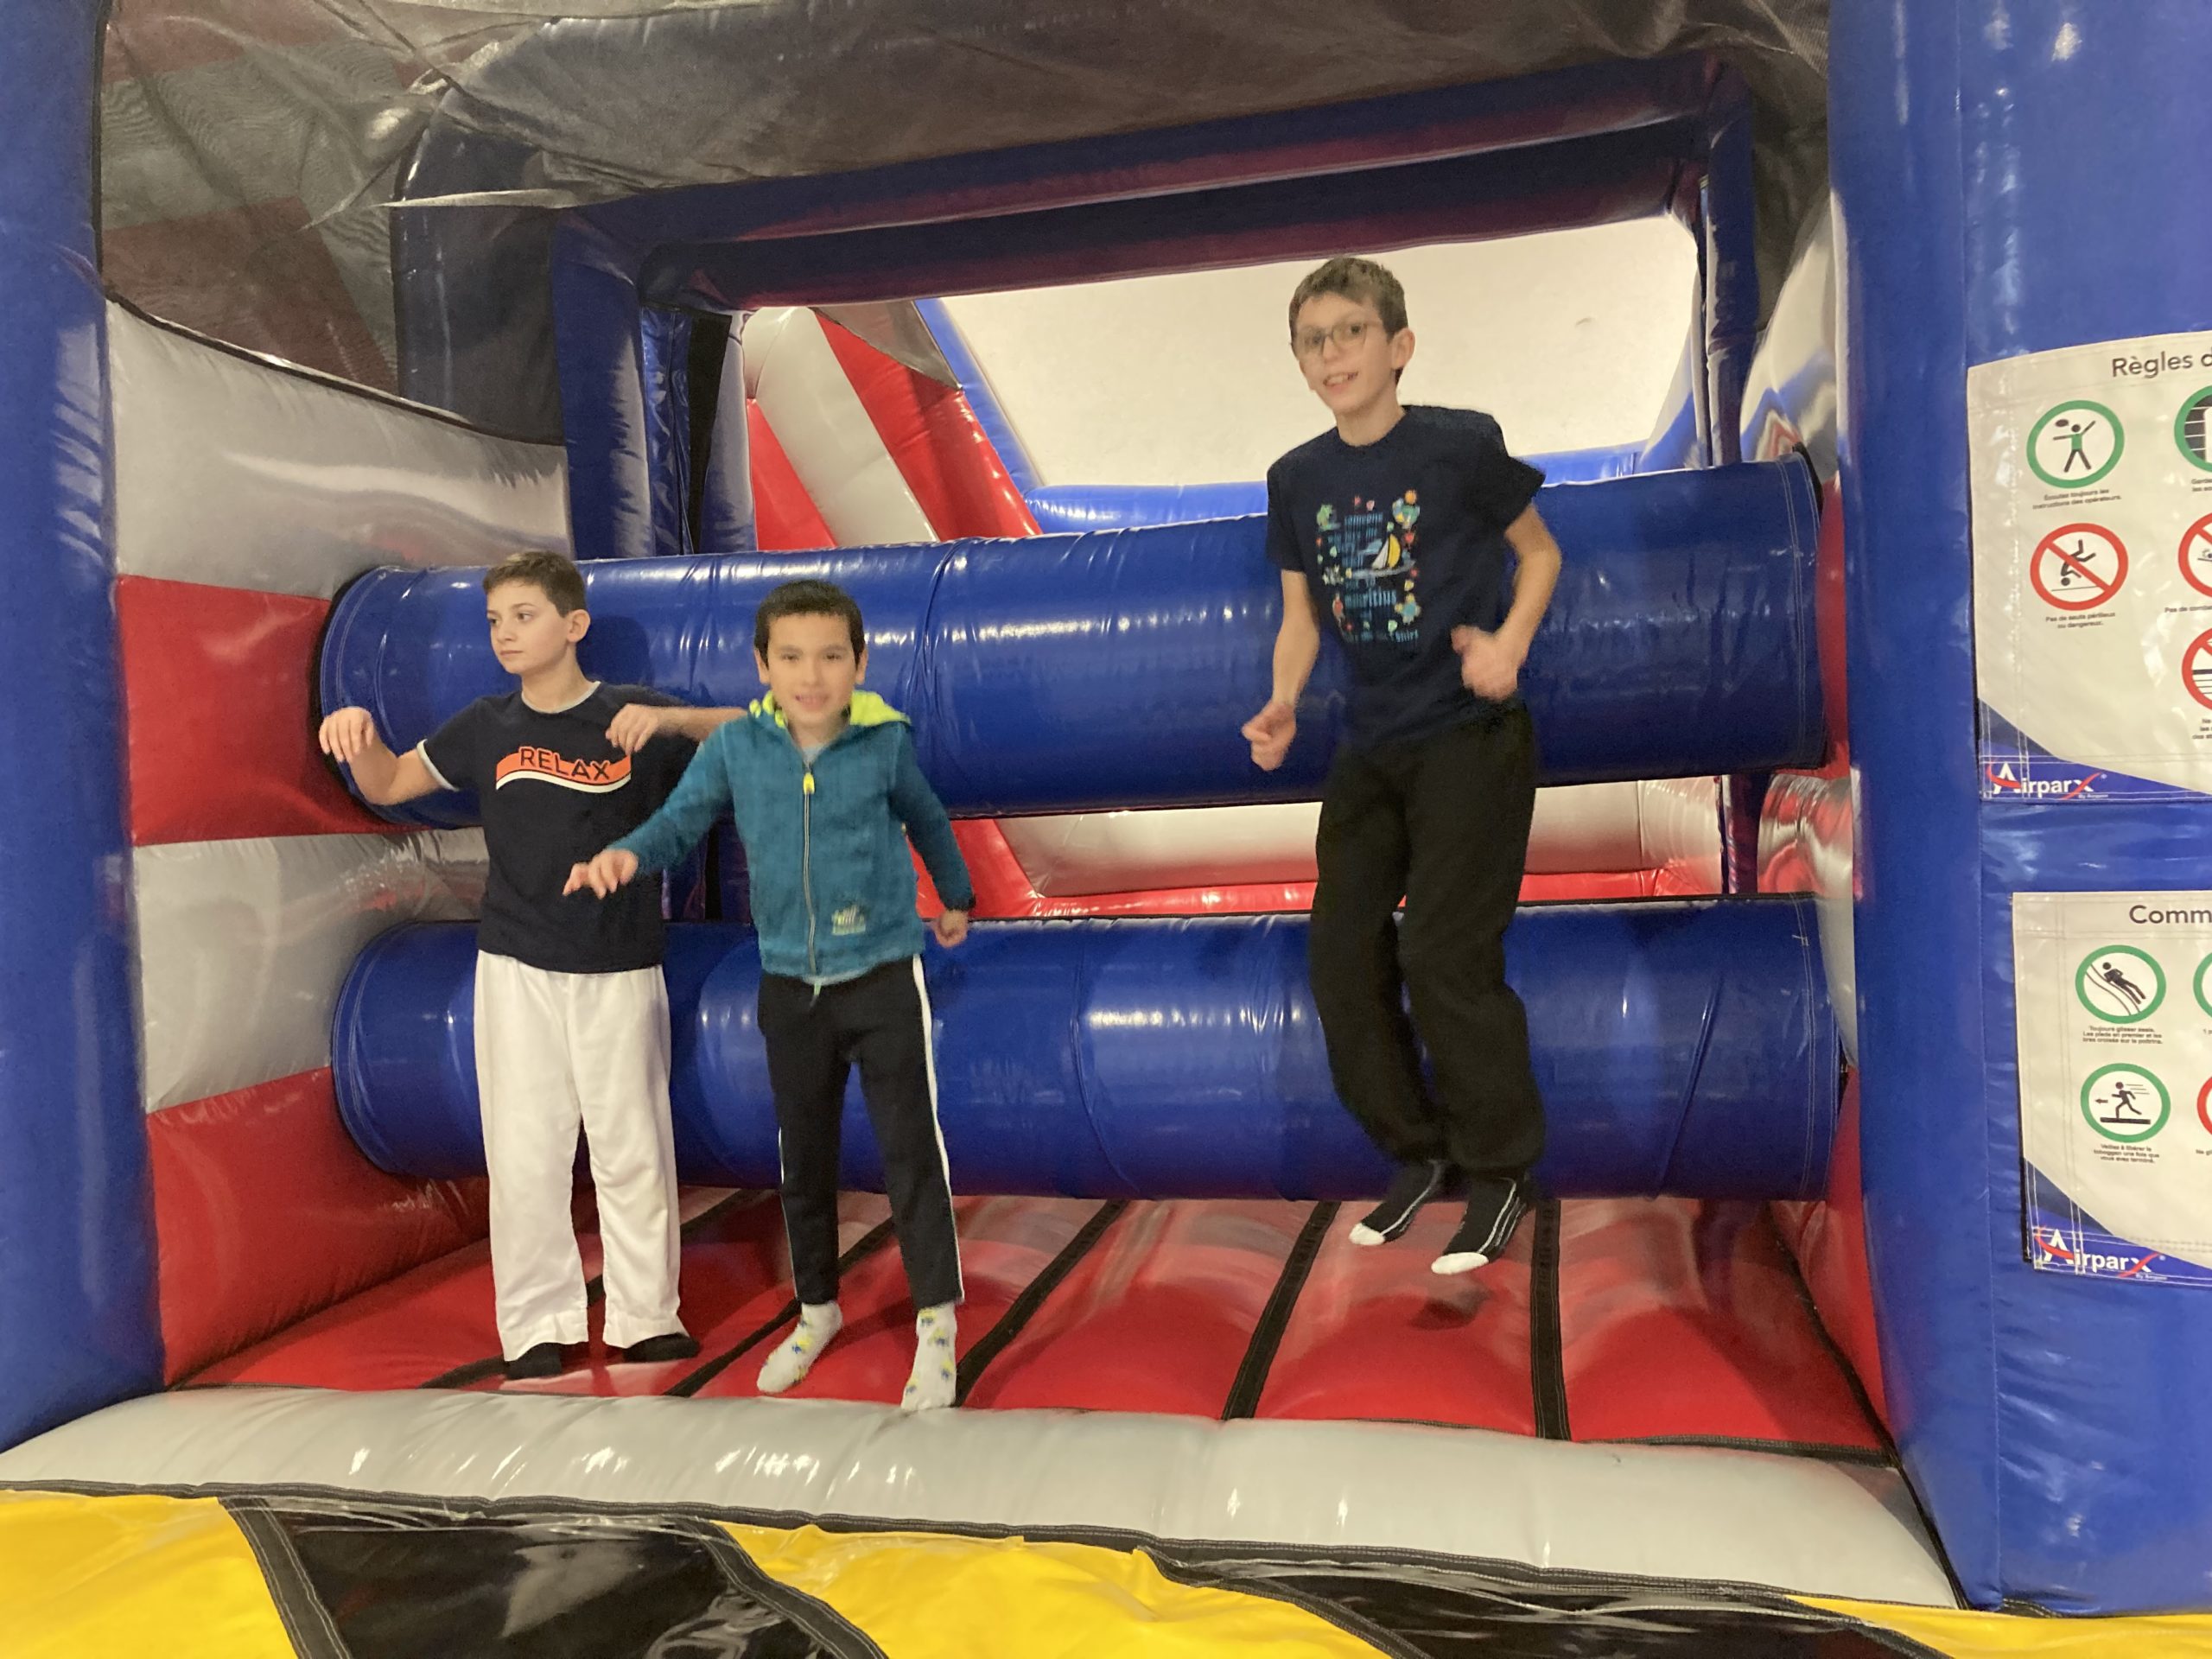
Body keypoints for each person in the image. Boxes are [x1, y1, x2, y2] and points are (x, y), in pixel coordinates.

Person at [319, 549, 731, 1379]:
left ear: (574, 625)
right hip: (517, 966)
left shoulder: (632, 714)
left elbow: (765, 735)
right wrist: (357, 736)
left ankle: (646, 1315)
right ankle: (538, 1324)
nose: (505, 633)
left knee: (632, 1147)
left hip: (618, 964)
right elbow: (392, 782)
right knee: (525, 1150)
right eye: (494, 620)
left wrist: (676, 723)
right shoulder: (487, 726)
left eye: (524, 616)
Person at [569, 578, 976, 1411]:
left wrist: (957, 896)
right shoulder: (736, 748)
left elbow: (929, 819)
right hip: (791, 985)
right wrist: (627, 855)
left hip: (881, 976)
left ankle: (937, 1322)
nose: (811, 676)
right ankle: (817, 1309)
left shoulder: (884, 743)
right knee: (804, 1157)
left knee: (909, 1151)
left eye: (830, 657)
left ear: (860, 663)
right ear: (762, 667)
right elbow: (679, 824)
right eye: (791, 658)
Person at [1242, 256, 1565, 1275]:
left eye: (1350, 332)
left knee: (1441, 956)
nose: (1331, 353)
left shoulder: (1459, 445)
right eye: (1312, 340)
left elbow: (1540, 553)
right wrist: (1284, 700)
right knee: (1339, 955)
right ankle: (1419, 1152)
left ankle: (1501, 1170)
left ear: (1398, 347)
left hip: (1469, 736)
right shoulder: (1297, 479)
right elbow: (1301, 617)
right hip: (1371, 745)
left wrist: (1509, 645)